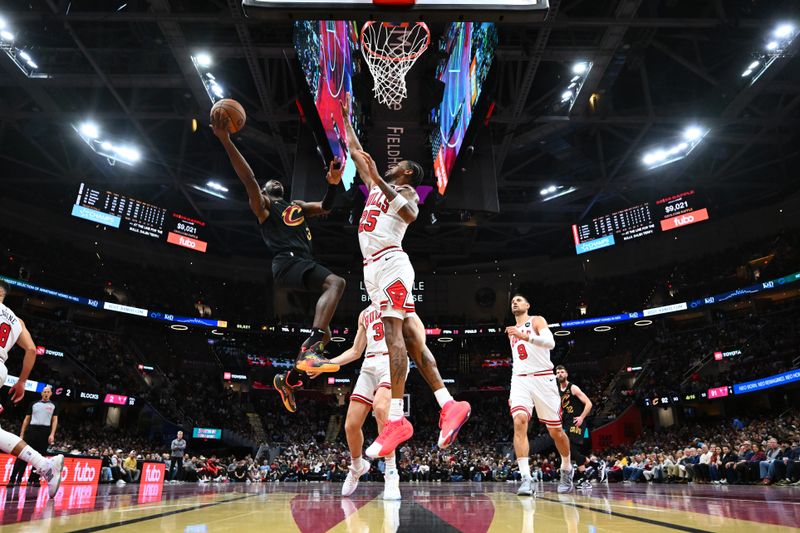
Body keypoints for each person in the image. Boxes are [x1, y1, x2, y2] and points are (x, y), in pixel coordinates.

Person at [341, 94, 470, 459]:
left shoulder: (407, 190)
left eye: (399, 164)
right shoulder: (379, 183)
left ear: (408, 172)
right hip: (373, 269)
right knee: (414, 337)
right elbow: (355, 152)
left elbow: (412, 215)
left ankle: (397, 418)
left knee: (396, 334)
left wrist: (381, 180)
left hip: (392, 263)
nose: (392, 163)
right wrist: (345, 118)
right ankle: (448, 404)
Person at [211, 112, 344, 413]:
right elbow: (248, 178)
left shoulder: (295, 206)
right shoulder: (264, 206)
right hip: (286, 262)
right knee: (336, 282)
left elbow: (325, 207)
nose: (276, 181)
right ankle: (310, 349)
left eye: (277, 180)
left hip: (301, 262)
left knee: (329, 334)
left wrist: (333, 183)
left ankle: (288, 379)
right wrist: (226, 140)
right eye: (270, 181)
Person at [307, 304, 406, 500]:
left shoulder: (397, 300)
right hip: (369, 365)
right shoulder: (364, 313)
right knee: (351, 425)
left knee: (380, 408)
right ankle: (357, 466)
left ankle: (391, 472)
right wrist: (326, 365)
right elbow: (355, 351)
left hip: (391, 361)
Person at [0, 280, 63, 498]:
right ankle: (45, 466)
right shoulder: (17, 321)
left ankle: (46, 466)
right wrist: (21, 382)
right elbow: (32, 350)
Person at [505, 294, 573, 495]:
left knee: (556, 432)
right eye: (512, 301)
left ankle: (567, 468)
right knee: (519, 421)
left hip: (544, 379)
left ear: (527, 305)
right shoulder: (511, 332)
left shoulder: (536, 320)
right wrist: (512, 387)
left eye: (519, 300)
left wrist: (526, 336)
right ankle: (526, 478)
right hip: (520, 379)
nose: (515, 302)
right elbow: (518, 360)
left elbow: (550, 343)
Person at [9, 384, 59, 486]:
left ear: (51, 394)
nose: (46, 393)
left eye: (48, 392)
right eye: (44, 392)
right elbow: (26, 419)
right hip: (32, 430)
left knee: (40, 458)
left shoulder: (54, 405)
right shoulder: (33, 404)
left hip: (44, 432)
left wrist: (52, 434)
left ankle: (34, 480)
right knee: (23, 455)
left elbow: (54, 421)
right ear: (41, 393)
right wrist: (22, 434)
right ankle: (13, 479)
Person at [555, 366, 593, 488]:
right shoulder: (557, 390)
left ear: (566, 374)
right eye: (557, 372)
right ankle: (594, 466)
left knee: (570, 448)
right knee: (569, 450)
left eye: (562, 372)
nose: (560, 374)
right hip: (566, 422)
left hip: (577, 421)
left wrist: (582, 417)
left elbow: (589, 403)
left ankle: (585, 478)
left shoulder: (573, 388)